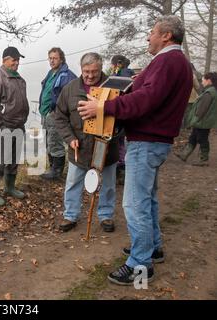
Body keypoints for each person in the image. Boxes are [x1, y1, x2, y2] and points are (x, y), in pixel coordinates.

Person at [77, 15, 193, 285]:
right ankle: (153, 247)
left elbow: (146, 100)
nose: (148, 37)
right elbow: (151, 93)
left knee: (134, 202)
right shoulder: (177, 63)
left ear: (166, 35)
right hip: (155, 141)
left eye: (152, 32)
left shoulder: (167, 61)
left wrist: (102, 107)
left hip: (147, 141)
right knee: (147, 198)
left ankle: (141, 264)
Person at [55, 52, 119, 233]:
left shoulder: (113, 87)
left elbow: (124, 116)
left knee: (107, 183)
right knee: (73, 182)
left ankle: (106, 215)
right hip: (79, 147)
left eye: (95, 72)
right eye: (86, 71)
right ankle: (70, 215)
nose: (90, 76)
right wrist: (70, 138)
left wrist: (115, 132)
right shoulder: (70, 89)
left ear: (101, 69)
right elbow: (59, 117)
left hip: (106, 146)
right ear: (81, 69)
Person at [0, 46, 29, 206]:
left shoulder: (19, 78)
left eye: (18, 60)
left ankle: (10, 187)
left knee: (13, 159)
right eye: (13, 60)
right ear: (4, 60)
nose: (17, 63)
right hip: (4, 126)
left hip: (19, 125)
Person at [39, 47, 77, 180]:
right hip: (45, 113)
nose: (52, 60)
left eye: (55, 58)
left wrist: (60, 112)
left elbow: (72, 96)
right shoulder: (51, 73)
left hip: (56, 114)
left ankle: (56, 172)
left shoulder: (67, 75)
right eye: (50, 58)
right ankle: (52, 167)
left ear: (61, 59)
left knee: (55, 141)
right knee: (49, 141)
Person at [176, 72, 217, 166]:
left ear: (209, 80)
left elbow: (202, 110)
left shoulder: (209, 92)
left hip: (202, 121)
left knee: (202, 139)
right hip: (203, 121)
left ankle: (204, 159)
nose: (202, 81)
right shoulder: (211, 91)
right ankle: (184, 154)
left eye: (203, 79)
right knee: (193, 137)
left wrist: (195, 120)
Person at [108, 55, 135, 185]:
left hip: (119, 116)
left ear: (117, 64)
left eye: (111, 64)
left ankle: (120, 171)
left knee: (119, 144)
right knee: (121, 144)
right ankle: (121, 170)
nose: (111, 67)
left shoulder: (120, 77)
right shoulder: (131, 75)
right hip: (126, 115)